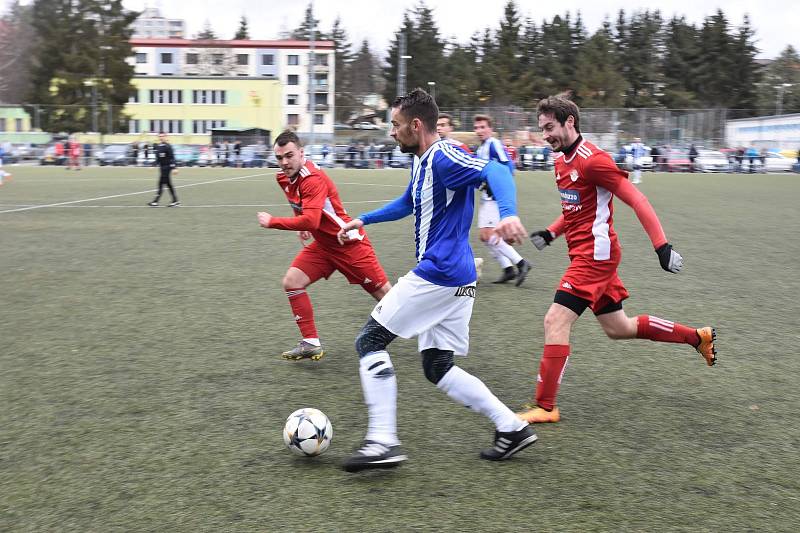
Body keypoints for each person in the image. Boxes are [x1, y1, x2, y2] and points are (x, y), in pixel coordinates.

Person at [336, 89, 537, 473]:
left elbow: (495, 170)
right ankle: (511, 427)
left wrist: (508, 213)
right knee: (437, 366)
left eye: (395, 125)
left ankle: (382, 441)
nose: (391, 133)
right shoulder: (422, 160)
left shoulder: (444, 155)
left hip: (439, 273)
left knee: (370, 341)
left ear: (415, 125)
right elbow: (408, 202)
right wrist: (364, 219)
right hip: (457, 278)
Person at [517, 96, 717, 425]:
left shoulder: (593, 161)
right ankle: (698, 337)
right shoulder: (560, 161)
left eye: (550, 128)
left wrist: (661, 246)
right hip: (590, 255)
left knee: (555, 321)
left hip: (595, 258)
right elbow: (575, 210)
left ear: (570, 122)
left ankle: (546, 405)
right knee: (619, 328)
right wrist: (552, 232)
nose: (545, 135)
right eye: (542, 129)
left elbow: (636, 198)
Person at [257, 130, 391, 361]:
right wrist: (302, 226)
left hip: (348, 244)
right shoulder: (283, 177)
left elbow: (312, 219)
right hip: (324, 246)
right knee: (292, 282)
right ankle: (310, 343)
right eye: (279, 158)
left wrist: (273, 222)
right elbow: (300, 207)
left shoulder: (313, 179)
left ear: (301, 152)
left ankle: (434, 328)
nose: (285, 162)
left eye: (289, 156)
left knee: (388, 298)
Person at [473, 114, 531, 286]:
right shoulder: (480, 149)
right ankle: (508, 270)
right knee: (485, 236)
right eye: (477, 127)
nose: (479, 130)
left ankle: (521, 264)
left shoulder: (493, 144)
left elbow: (508, 167)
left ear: (490, 129)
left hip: (495, 199)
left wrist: (497, 188)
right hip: (487, 197)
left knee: (490, 235)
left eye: (483, 127)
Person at [437, 113, 484, 281]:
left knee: (453, 238)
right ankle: (471, 265)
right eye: (437, 124)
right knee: (447, 241)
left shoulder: (459, 147)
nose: (439, 128)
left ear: (450, 128)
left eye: (443, 124)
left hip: (459, 201)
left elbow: (474, 169)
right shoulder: (431, 147)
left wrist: (481, 185)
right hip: (440, 201)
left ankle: (467, 269)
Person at [148, 133, 179, 207]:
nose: (161, 138)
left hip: (167, 167)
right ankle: (175, 201)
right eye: (160, 136)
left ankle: (155, 201)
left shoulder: (168, 146)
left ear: (166, 137)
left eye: (162, 136)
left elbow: (172, 158)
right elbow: (158, 159)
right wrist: (153, 165)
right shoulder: (158, 147)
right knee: (168, 184)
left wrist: (174, 168)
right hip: (162, 168)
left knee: (161, 183)